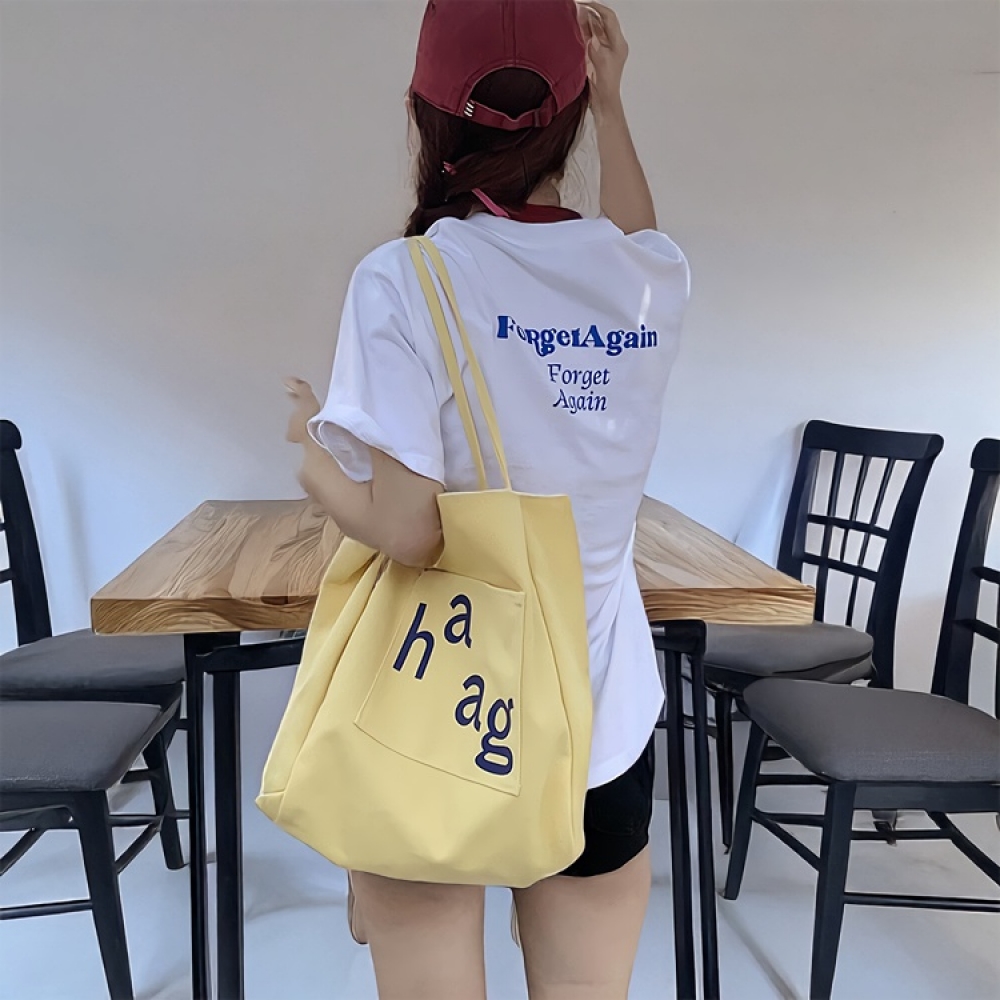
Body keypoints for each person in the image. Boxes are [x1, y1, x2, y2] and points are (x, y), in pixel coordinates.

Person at [284, 2, 690, 997]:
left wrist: (310, 458)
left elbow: (409, 531)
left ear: (424, 114)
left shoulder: (406, 278)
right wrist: (614, 104)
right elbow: (639, 232)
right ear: (573, 114)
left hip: (438, 717)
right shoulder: (647, 281)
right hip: (599, 722)